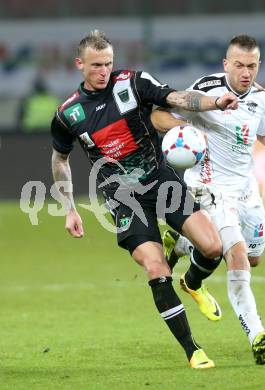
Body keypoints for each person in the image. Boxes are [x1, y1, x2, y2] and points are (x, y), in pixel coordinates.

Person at [50, 30, 239, 369]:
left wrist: (215, 101)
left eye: (108, 63)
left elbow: (178, 98)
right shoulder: (69, 114)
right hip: (124, 200)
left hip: (161, 181)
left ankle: (192, 282)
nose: (103, 71)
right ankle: (193, 351)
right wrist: (69, 209)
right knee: (155, 268)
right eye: (95, 65)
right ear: (79, 64)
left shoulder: (133, 82)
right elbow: (60, 160)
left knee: (212, 248)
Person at [151, 34, 265, 366]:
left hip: (246, 189)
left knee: (253, 259)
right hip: (208, 187)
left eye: (251, 66)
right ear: (226, 65)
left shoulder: (259, 98)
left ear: (258, 66)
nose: (245, 72)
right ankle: (256, 334)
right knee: (234, 255)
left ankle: (181, 246)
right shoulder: (206, 88)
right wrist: (183, 133)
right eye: (238, 65)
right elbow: (159, 116)